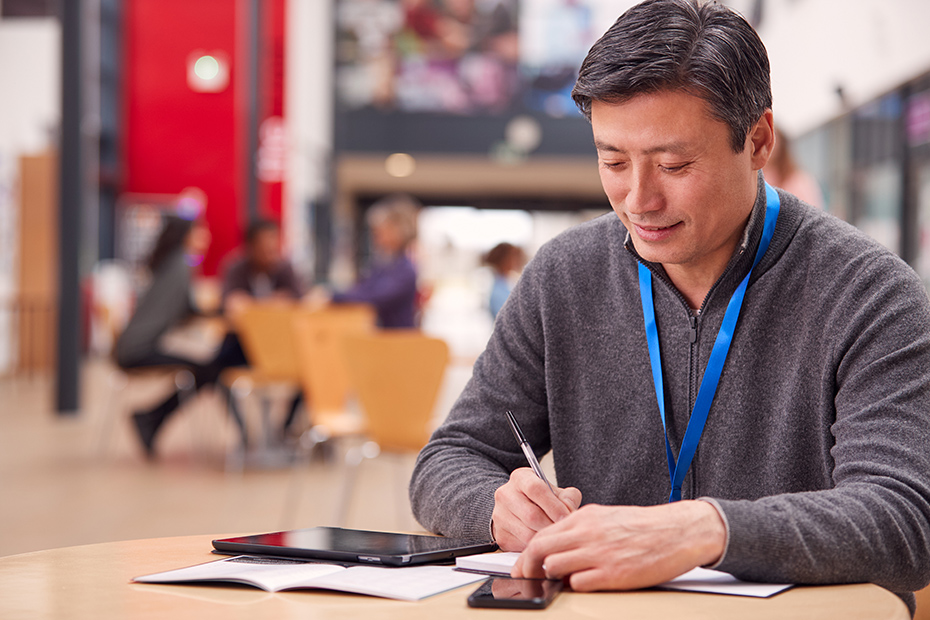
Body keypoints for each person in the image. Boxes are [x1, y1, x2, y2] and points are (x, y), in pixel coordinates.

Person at [408, 0, 930, 613]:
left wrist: (704, 531)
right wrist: (495, 505)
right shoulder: (564, 277)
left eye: (674, 164)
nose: (639, 199)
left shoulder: (869, 294)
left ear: (758, 140)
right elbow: (449, 458)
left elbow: (903, 516)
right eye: (612, 161)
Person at [115, 211, 217, 457]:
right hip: (138, 350)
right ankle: (150, 417)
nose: (206, 235)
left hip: (131, 346)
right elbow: (187, 311)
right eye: (200, 230)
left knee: (205, 368)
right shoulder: (181, 264)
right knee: (208, 370)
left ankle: (151, 418)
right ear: (186, 235)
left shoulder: (172, 262)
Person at [317, 194, 420, 329]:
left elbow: (374, 298)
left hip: (397, 340)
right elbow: (361, 290)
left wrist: (333, 297)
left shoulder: (405, 270)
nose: (377, 237)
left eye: (382, 231)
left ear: (397, 231)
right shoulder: (381, 264)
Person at [763, 126, 825, 208]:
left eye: (772, 140)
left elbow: (811, 210)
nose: (768, 144)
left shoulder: (799, 180)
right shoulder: (758, 178)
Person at [482, 242, 525, 318]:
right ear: (503, 260)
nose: (516, 260)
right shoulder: (498, 292)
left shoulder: (508, 283)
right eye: (513, 256)